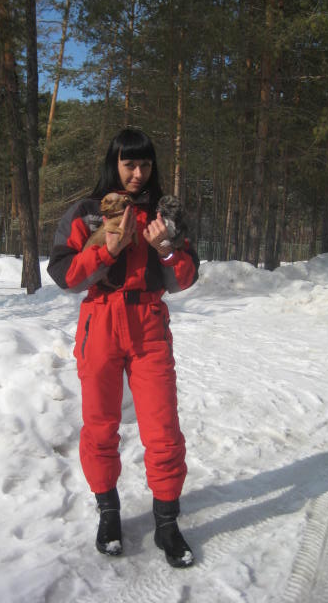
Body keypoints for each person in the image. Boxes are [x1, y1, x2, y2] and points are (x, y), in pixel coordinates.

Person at [47, 128, 199, 568]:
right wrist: (108, 250)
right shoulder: (87, 213)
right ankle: (109, 514)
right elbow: (65, 275)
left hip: (149, 323)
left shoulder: (164, 214)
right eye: (129, 164)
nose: (138, 173)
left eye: (145, 164)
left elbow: (185, 278)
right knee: (100, 426)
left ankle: (166, 522)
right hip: (101, 321)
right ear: (113, 163)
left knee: (163, 430)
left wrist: (166, 248)